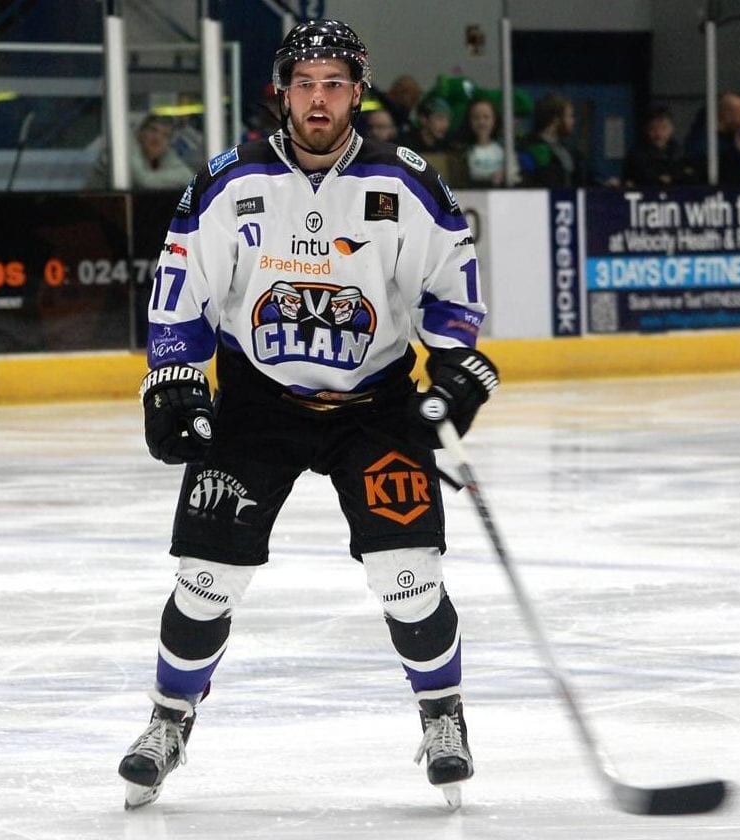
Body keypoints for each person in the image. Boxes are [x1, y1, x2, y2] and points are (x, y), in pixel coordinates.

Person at [118, 18, 499, 811]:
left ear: (358, 93)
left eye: (333, 85)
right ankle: (168, 719)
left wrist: (454, 363)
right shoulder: (232, 181)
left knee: (408, 576)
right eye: (304, 85)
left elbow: (450, 289)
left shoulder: (405, 183)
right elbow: (182, 285)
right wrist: (174, 378)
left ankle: (442, 714)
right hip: (258, 403)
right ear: (282, 94)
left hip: (376, 405)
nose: (317, 100)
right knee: (207, 580)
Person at [86, 113, 194, 190]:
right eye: (153, 130)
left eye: (165, 135)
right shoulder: (124, 146)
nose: (157, 138)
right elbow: (143, 181)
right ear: (140, 132)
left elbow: (188, 177)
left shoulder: (163, 151)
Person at [520, 92, 587, 188]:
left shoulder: (569, 150)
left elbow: (582, 180)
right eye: (570, 116)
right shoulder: (529, 147)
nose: (573, 121)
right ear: (556, 119)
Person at [621, 105, 695, 187]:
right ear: (646, 129)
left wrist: (674, 177)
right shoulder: (636, 154)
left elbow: (689, 175)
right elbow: (632, 179)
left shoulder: (681, 152)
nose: (658, 134)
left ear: (672, 129)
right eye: (653, 128)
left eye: (664, 128)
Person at [458, 96, 521, 187]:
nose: (481, 122)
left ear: (494, 120)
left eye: (486, 117)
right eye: (476, 118)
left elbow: (515, 176)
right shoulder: (463, 151)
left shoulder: (505, 148)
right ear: (469, 121)